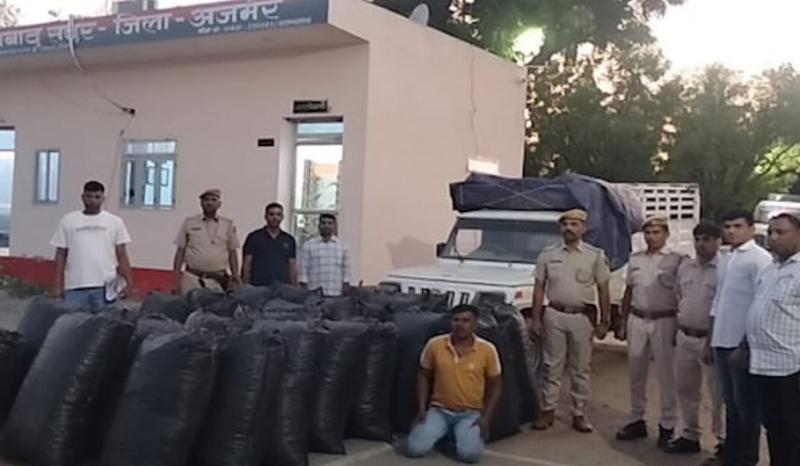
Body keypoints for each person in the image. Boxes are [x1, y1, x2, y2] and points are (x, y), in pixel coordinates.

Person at [530, 209, 611, 433]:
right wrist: (536, 319)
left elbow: (603, 289)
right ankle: (548, 410)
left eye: (574, 224)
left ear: (584, 228)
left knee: (580, 368)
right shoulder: (548, 254)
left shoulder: (594, 255)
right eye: (565, 224)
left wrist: (605, 320)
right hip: (554, 314)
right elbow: (539, 288)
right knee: (551, 365)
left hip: (581, 317)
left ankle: (579, 413)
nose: (569, 228)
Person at [616, 217, 686, 449]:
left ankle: (668, 425)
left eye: (656, 232)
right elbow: (629, 290)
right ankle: (637, 419)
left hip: (664, 320)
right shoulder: (635, 259)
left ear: (666, 234)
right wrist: (622, 319)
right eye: (648, 233)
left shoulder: (676, 260)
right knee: (636, 372)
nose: (651, 237)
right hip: (637, 318)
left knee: (667, 375)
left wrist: (680, 323)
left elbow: (683, 293)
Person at [710, 209, 772, 466]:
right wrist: (712, 337)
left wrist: (747, 345)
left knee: (747, 406)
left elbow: (762, 304)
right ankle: (731, 453)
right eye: (727, 226)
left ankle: (746, 458)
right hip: (722, 339)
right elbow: (718, 300)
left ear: (751, 229)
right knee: (730, 403)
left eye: (737, 226)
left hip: (743, 344)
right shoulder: (726, 257)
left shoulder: (760, 259)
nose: (731, 231)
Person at [405, 304, 502, 463]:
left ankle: (458, 435)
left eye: (466, 320)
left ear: (475, 324)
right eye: (456, 320)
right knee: (414, 449)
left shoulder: (487, 350)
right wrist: (422, 408)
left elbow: (496, 384)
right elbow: (423, 375)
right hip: (439, 411)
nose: (460, 324)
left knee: (469, 455)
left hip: (470, 414)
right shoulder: (435, 345)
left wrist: (486, 418)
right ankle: (444, 432)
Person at [666, 221, 725, 456]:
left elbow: (723, 309)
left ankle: (723, 441)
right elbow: (678, 298)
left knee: (718, 395)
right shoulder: (685, 267)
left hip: (710, 340)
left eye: (707, 239)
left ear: (718, 241)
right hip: (684, 336)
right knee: (686, 389)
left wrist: (712, 341)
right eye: (698, 239)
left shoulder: (724, 269)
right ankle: (690, 435)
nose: (701, 244)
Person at [746, 212, 800, 466]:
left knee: (794, 432)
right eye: (770, 232)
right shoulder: (771, 269)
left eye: (781, 232)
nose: (773, 237)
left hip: (791, 368)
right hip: (763, 365)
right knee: (774, 428)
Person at [50, 180, 133, 310]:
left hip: (106, 288)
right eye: (89, 196)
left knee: (107, 322)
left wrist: (128, 283)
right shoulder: (68, 221)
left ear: (103, 199)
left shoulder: (115, 222)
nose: (93, 201)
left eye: (97, 197)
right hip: (75, 288)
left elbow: (121, 254)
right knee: (74, 322)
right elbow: (61, 255)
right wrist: (57, 285)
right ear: (82, 197)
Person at [171, 188, 240, 294]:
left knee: (216, 304)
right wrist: (175, 279)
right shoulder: (189, 223)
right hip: (192, 279)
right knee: (189, 304)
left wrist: (235, 276)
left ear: (219, 204)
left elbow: (232, 252)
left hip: (217, 280)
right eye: (206, 200)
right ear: (201, 203)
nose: (209, 203)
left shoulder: (228, 224)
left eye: (213, 200)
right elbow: (181, 251)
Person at [242, 202, 298, 287]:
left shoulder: (289, 240)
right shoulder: (253, 237)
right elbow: (247, 264)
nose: (275, 217)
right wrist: (246, 286)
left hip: (283, 288)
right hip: (258, 287)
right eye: (271, 214)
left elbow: (292, 267)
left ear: (282, 217)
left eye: (278, 214)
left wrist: (294, 287)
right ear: (265, 216)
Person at [298, 213, 352, 296]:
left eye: (330, 223)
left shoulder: (342, 247)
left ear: (334, 226)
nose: (327, 226)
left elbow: (346, 270)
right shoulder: (308, 246)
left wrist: (345, 287)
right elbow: (303, 271)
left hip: (336, 292)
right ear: (319, 225)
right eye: (324, 223)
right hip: (314, 292)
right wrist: (305, 290)